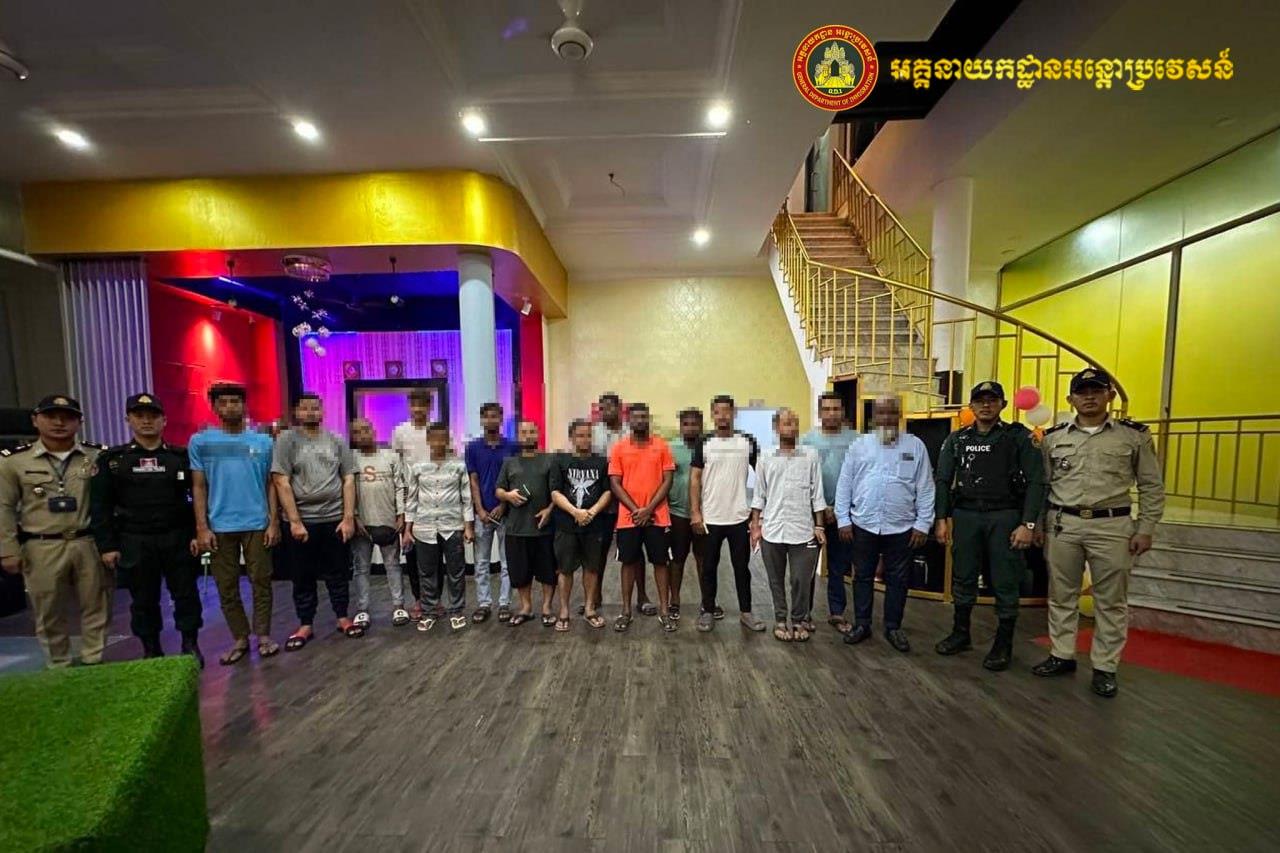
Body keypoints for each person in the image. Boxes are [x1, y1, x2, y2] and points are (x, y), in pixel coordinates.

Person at [1031, 368, 1165, 698]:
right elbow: (1042, 485)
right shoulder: (1053, 438)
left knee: (1111, 600)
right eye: (1082, 391)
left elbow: (1151, 485)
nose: (1089, 397)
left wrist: (1146, 528)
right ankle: (1061, 654)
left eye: (1096, 390)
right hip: (1064, 523)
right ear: (1071, 399)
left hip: (1112, 526)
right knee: (1061, 594)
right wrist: (1038, 525)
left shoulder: (1133, 436)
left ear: (1110, 395)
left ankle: (1105, 667)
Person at [933, 381, 1046, 671]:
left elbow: (1037, 481)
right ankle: (961, 633)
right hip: (966, 515)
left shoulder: (1018, 437)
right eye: (980, 400)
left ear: (1003, 405)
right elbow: (943, 480)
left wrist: (1028, 524)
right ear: (971, 406)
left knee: (1005, 580)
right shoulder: (957, 439)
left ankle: (1003, 644)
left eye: (992, 400)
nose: (986, 405)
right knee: (963, 576)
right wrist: (941, 518)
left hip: (1004, 516)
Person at [90, 393, 204, 666]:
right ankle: (151, 649)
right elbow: (101, 506)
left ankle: (190, 644)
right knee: (143, 598)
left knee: (186, 594)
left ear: (164, 420)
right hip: (134, 539)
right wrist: (107, 545)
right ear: (128, 419)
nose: (146, 421)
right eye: (139, 416)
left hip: (176, 537)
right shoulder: (113, 460)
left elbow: (194, 498)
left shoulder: (179, 457)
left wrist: (196, 533)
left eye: (153, 416)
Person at [0, 395, 109, 667]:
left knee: (97, 605)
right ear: (35, 420)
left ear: (79, 422)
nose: (59, 423)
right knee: (47, 609)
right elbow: (4, 508)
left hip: (87, 541)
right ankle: (58, 663)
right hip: (41, 544)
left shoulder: (97, 456)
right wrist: (8, 550)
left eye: (67, 417)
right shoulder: (14, 462)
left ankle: (94, 660)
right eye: (51, 416)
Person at [189, 383, 280, 664]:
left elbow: (271, 484)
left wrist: (274, 522)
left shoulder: (263, 442)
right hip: (219, 525)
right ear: (214, 407)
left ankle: (263, 635)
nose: (230, 407)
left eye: (235, 401)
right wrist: (202, 527)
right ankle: (240, 638)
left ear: (244, 405)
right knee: (226, 585)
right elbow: (199, 486)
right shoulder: (200, 442)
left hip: (257, 522)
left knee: (261, 581)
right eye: (223, 402)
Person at [835, 395, 934, 652]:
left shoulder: (915, 446)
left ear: (899, 415)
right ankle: (862, 624)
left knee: (898, 578)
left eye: (892, 412)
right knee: (862, 576)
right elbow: (845, 484)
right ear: (874, 417)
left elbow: (925, 487)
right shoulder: (859, 446)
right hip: (864, 523)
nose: (886, 418)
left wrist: (923, 523)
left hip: (902, 526)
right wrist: (843, 519)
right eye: (881, 413)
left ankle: (893, 626)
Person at [272, 393, 360, 650]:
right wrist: (295, 521)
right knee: (302, 575)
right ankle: (305, 623)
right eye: (305, 408)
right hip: (301, 521)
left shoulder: (336, 440)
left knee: (338, 572)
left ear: (322, 411)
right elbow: (281, 480)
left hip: (334, 518)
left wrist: (348, 518)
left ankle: (342, 617)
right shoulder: (287, 441)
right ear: (297, 413)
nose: (310, 412)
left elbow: (349, 479)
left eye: (315, 408)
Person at [751, 407, 826, 643]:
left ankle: (799, 619)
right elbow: (759, 494)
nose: (790, 427)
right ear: (776, 428)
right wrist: (755, 526)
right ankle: (781, 619)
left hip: (803, 530)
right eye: (785, 423)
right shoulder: (766, 456)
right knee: (775, 580)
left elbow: (817, 493)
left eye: (794, 422)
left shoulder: (810, 455)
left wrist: (820, 526)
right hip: (772, 529)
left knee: (801, 580)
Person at [690, 394, 764, 633]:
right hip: (711, 518)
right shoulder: (704, 443)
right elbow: (695, 479)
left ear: (734, 413)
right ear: (713, 414)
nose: (723, 416)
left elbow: (763, 475)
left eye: (727, 411)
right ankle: (708, 610)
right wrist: (695, 513)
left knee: (742, 568)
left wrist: (758, 514)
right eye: (718, 412)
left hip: (739, 518)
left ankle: (746, 612)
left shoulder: (747, 442)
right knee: (708, 567)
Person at [609, 403, 676, 633]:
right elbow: (615, 483)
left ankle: (664, 611)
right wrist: (637, 510)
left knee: (661, 563)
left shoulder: (661, 446)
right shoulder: (619, 448)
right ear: (629, 420)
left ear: (648, 419)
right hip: (629, 518)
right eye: (635, 417)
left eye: (643, 416)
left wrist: (649, 509)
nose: (640, 420)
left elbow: (668, 480)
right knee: (628, 562)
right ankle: (626, 611)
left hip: (657, 517)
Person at [587, 392, 656, 615]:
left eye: (611, 407)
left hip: (631, 497)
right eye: (603, 408)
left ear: (620, 409)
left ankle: (642, 596)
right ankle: (594, 597)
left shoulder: (631, 431)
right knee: (599, 549)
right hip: (604, 496)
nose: (607, 412)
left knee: (636, 551)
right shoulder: (594, 433)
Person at [403, 422, 474, 632]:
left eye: (442, 438)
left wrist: (468, 527)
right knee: (426, 572)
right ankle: (429, 611)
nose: (438, 442)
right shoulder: (418, 467)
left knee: (456, 571)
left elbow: (466, 498)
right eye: (434, 438)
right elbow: (412, 499)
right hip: (424, 528)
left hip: (452, 527)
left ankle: (456, 611)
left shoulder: (458, 466)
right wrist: (407, 529)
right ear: (428, 440)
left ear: (447, 440)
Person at [800, 392, 858, 635]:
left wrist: (840, 508)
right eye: (827, 409)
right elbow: (802, 478)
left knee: (838, 566)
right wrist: (820, 508)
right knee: (807, 566)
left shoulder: (855, 440)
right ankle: (803, 614)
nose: (832, 414)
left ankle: (837, 612)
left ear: (842, 412)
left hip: (844, 515)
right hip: (813, 515)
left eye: (836, 409)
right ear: (820, 412)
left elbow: (859, 478)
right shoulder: (807, 441)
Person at [550, 419, 612, 631]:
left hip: (594, 525)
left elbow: (607, 492)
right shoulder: (561, 461)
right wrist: (575, 512)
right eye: (580, 435)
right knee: (565, 569)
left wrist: (591, 512)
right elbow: (555, 492)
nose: (584, 439)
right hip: (566, 525)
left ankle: (589, 609)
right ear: (572, 437)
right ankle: (564, 611)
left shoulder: (601, 462)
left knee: (592, 568)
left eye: (588, 435)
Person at [495, 420, 557, 626]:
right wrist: (508, 495)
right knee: (520, 572)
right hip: (516, 528)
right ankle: (526, 607)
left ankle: (547, 608)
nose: (528, 435)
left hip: (543, 528)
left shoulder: (549, 461)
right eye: (524, 432)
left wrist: (549, 510)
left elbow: (557, 492)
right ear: (518, 436)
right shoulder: (509, 462)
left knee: (547, 571)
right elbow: (499, 490)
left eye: (532, 431)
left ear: (537, 434)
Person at [350, 418, 409, 629]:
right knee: (361, 568)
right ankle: (362, 609)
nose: (362, 435)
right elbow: (346, 489)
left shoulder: (391, 456)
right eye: (357, 432)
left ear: (374, 431)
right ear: (353, 436)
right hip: (361, 524)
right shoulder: (351, 459)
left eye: (366, 429)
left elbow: (400, 486)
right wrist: (353, 516)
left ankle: (398, 606)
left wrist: (401, 514)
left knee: (393, 565)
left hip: (388, 521)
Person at [465, 402, 515, 623]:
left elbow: (514, 481)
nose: (491, 420)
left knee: (506, 562)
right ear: (482, 420)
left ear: (501, 419)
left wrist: (503, 506)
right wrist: (480, 510)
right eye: (487, 417)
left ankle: (505, 603)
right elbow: (473, 481)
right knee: (482, 562)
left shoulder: (511, 447)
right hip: (482, 514)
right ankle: (484, 603)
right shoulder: (473, 448)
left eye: (495, 416)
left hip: (506, 512)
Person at [392, 388, 434, 618]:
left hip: (434, 497)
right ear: (409, 407)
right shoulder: (400, 432)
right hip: (410, 498)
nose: (418, 409)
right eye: (414, 405)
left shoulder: (437, 430)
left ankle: (435, 599)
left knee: (434, 551)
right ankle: (418, 599)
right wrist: (399, 508)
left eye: (423, 405)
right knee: (412, 552)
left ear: (429, 407)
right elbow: (397, 469)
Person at [666, 408, 705, 620]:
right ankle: (675, 600)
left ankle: (708, 601)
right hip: (677, 512)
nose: (690, 428)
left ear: (701, 426)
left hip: (704, 513)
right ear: (681, 426)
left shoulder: (707, 447)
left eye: (694, 424)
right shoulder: (670, 449)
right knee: (677, 560)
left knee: (703, 559)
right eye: (686, 424)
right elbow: (664, 480)